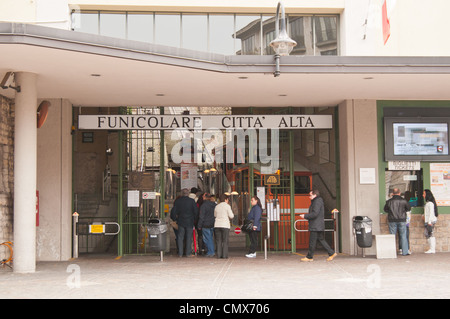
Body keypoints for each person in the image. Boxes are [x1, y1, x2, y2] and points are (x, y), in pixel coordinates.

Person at [300, 190, 337, 262]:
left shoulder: (317, 202)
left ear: (315, 195)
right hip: (318, 225)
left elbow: (315, 213)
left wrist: (305, 216)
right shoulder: (318, 201)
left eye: (310, 195)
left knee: (312, 241)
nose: (309, 197)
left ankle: (309, 257)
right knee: (321, 239)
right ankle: (331, 253)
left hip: (315, 225)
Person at [172, 188, 199, 257]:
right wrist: (194, 220)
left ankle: (180, 253)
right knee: (189, 237)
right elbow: (196, 211)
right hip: (190, 221)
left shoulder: (178, 201)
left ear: (182, 193)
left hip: (181, 221)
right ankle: (188, 253)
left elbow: (173, 211)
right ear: (188, 194)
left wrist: (175, 219)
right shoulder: (192, 201)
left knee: (180, 237)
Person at [384, 188, 411, 256]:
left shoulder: (389, 201)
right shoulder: (403, 200)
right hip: (402, 220)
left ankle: (391, 252)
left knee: (392, 236)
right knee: (403, 236)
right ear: (399, 193)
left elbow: (385, 209)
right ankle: (405, 252)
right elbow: (408, 208)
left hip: (392, 220)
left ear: (393, 193)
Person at [214, 194, 234, 259]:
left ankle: (219, 255)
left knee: (218, 241)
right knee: (225, 241)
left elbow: (215, 215)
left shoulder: (217, 206)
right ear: (226, 199)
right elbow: (231, 216)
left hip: (217, 225)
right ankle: (224, 255)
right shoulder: (227, 206)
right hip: (225, 225)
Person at [423, 189, 438, 254]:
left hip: (430, 221)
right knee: (427, 234)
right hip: (428, 221)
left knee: (430, 234)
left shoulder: (430, 203)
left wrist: (429, 222)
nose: (423, 195)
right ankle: (431, 248)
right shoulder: (428, 203)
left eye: (424, 194)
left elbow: (431, 213)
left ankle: (432, 249)